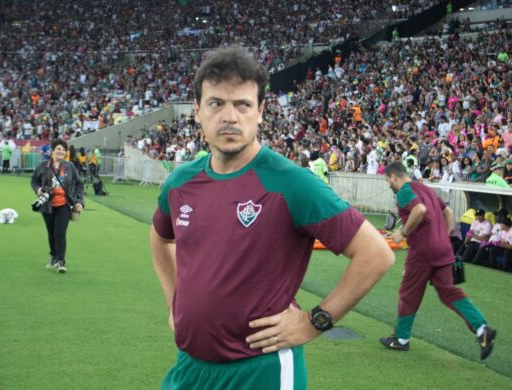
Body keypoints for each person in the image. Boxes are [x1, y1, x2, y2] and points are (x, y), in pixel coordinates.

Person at [150, 45, 395, 389]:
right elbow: (161, 237)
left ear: (261, 111)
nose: (230, 116)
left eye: (243, 104)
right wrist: (173, 300)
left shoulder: (290, 182)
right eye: (216, 103)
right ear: (197, 110)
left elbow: (376, 253)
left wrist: (314, 321)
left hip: (260, 372)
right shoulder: (180, 183)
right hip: (189, 368)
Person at [380, 162, 496, 360]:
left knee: (409, 294)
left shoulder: (404, 192)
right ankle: (481, 328)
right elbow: (449, 212)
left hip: (423, 252)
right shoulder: (426, 188)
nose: (388, 183)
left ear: (394, 177)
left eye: (387, 180)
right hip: (443, 249)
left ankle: (401, 339)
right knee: (448, 291)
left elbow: (419, 210)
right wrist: (445, 234)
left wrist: (403, 232)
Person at [31, 139, 84, 273]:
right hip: (47, 204)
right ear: (52, 150)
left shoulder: (70, 166)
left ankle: (61, 261)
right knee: (51, 233)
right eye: (58, 149)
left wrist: (79, 201)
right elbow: (34, 181)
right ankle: (54, 256)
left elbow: (79, 184)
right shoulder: (43, 166)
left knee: (60, 233)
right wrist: (38, 190)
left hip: (64, 204)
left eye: (63, 149)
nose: (60, 151)